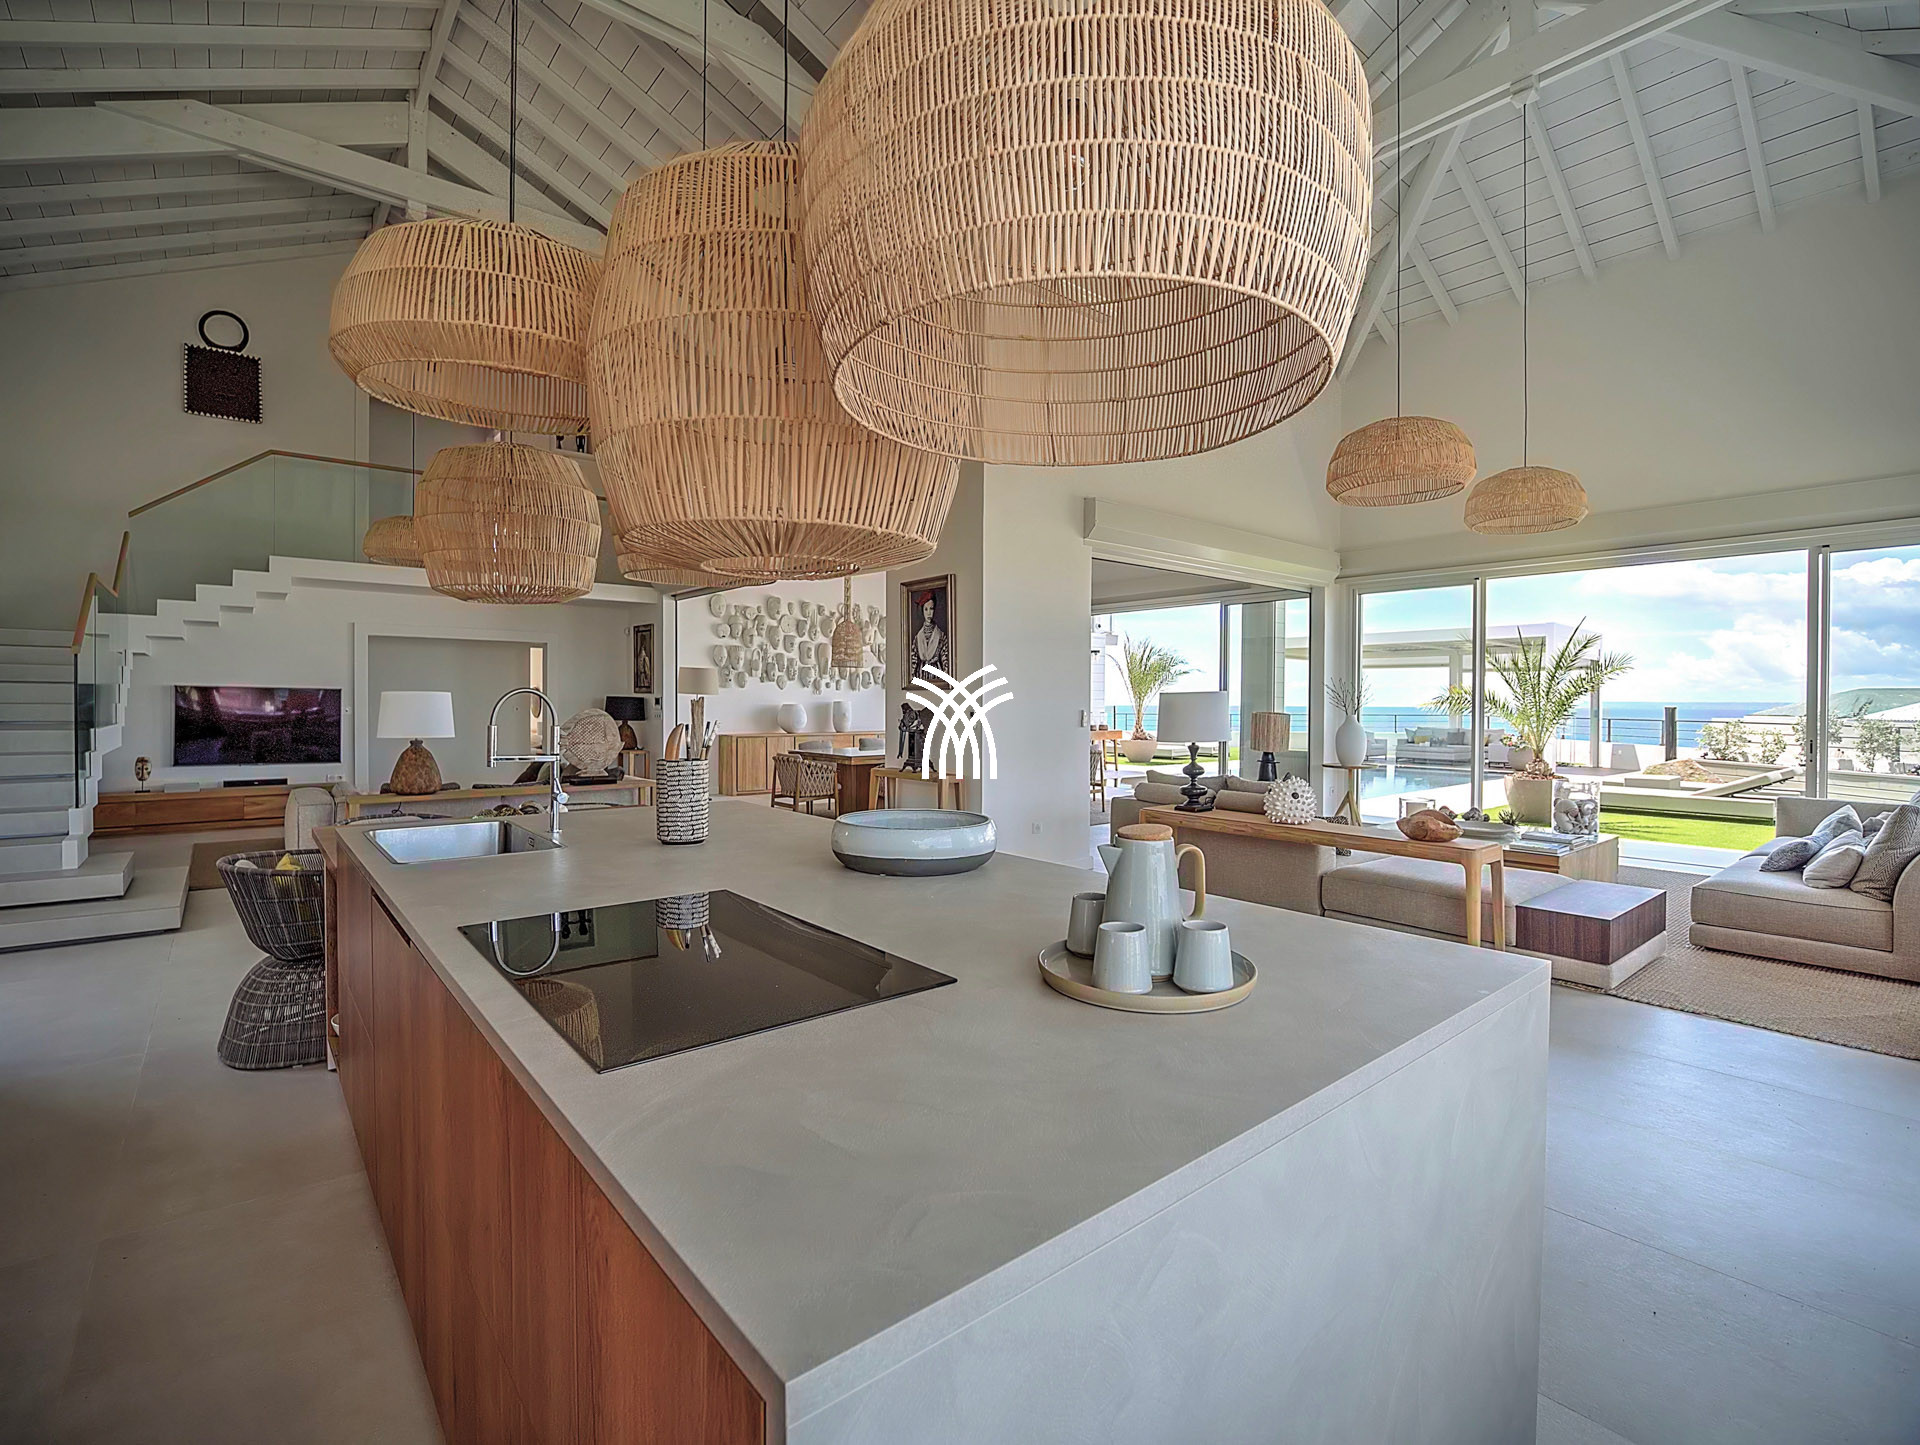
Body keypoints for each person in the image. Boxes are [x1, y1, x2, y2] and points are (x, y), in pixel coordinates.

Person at [912, 593, 946, 678]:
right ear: (922, 611)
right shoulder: (918, 637)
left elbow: (946, 661)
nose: (929, 613)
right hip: (920, 676)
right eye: (926, 609)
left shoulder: (940, 635)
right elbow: (913, 662)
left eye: (931, 609)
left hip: (936, 676)